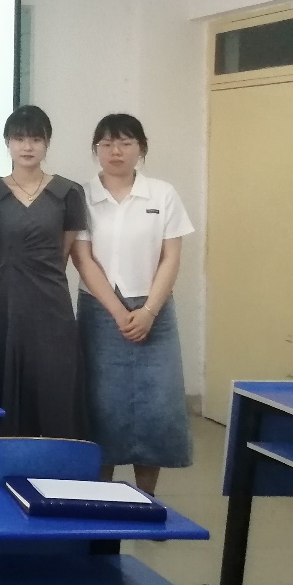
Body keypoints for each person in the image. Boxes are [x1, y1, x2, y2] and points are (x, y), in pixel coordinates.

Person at [71, 114, 194, 494]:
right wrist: (118, 311)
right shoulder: (82, 195)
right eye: (106, 144)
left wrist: (149, 311)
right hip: (100, 310)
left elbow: (171, 257)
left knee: (156, 406)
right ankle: (101, 496)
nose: (116, 151)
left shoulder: (162, 193)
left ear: (141, 148)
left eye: (125, 143)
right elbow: (82, 258)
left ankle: (147, 497)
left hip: (154, 310)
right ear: (96, 150)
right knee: (102, 405)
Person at [0, 104, 88, 438]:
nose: (27, 147)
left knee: (56, 383)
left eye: (36, 139)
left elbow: (64, 251)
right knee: (6, 382)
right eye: (19, 138)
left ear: (47, 144)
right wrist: (11, 275)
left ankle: (56, 461)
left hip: (52, 304)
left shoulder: (68, 192)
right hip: (7, 302)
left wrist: (38, 276)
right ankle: (12, 461)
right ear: (7, 142)